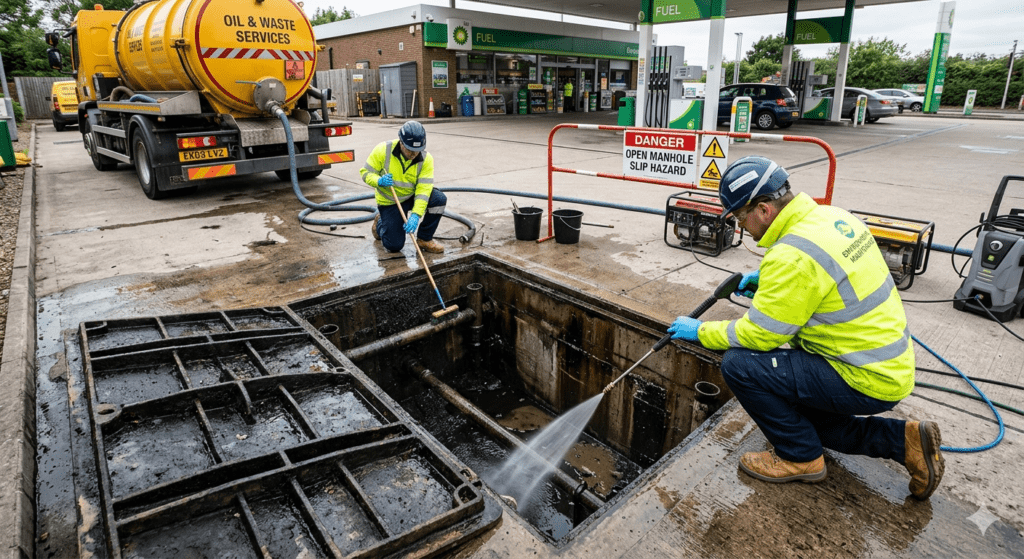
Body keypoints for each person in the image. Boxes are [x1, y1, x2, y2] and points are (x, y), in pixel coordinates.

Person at [667, 155, 944, 500]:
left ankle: (800, 459)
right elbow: (820, 285)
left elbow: (760, 335)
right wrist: (767, 282)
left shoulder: (792, 256)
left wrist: (700, 331)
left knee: (739, 365)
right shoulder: (831, 217)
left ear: (764, 210)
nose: (741, 227)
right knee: (811, 426)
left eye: (740, 217)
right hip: (887, 365)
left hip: (859, 373)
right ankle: (905, 441)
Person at [360, 121, 446, 254]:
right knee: (394, 246)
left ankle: (424, 239)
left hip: (410, 196)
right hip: (391, 201)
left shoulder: (426, 159)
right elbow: (365, 173)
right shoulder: (383, 150)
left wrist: (416, 215)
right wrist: (379, 181)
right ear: (401, 142)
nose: (413, 154)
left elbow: (424, 190)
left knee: (439, 199)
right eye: (410, 150)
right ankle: (380, 223)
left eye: (417, 151)